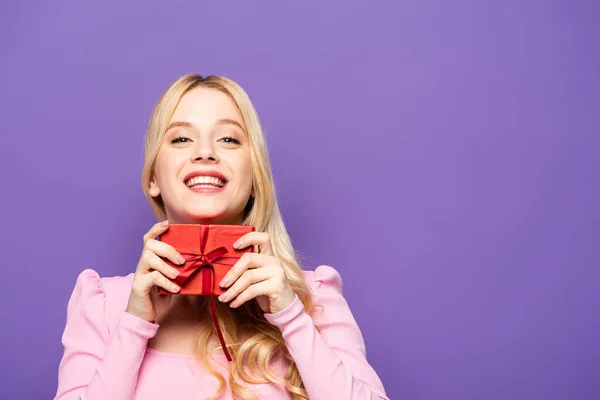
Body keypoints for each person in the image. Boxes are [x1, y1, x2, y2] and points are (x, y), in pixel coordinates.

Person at [54, 74, 389, 400]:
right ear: (153, 178)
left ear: (256, 179)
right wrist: (133, 325)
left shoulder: (313, 298)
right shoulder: (101, 304)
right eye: (181, 139)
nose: (205, 152)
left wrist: (291, 318)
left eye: (228, 139)